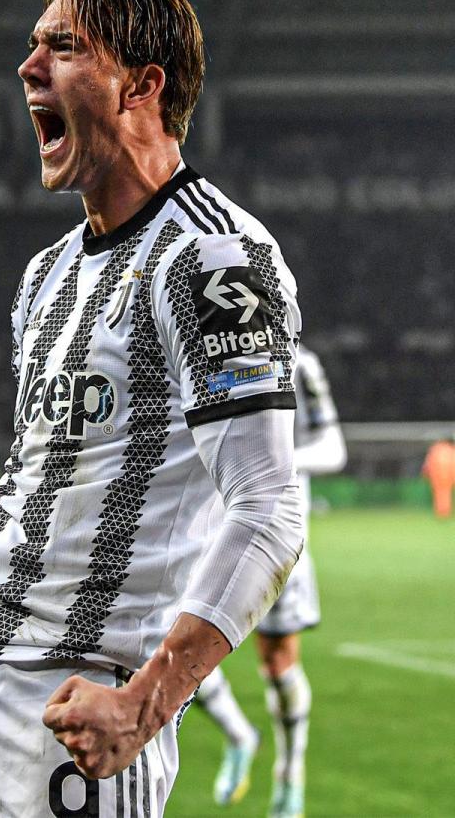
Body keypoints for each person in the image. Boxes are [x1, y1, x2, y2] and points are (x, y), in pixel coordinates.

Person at [0, 0, 304, 818]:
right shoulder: (46, 276)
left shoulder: (213, 259)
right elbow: (32, 507)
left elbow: (269, 508)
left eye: (64, 47)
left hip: (70, 714)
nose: (28, 66)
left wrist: (145, 706)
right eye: (33, 45)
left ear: (141, 85)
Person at [197, 345, 347, 818]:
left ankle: (289, 773)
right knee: (173, 644)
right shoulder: (197, 354)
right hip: (207, 531)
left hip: (278, 533)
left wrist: (273, 462)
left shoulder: (300, 363)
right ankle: (239, 734)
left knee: (278, 662)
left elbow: (333, 448)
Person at [421, 437, 455, 518]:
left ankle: (441, 511)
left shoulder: (435, 449)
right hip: (448, 475)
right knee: (445, 493)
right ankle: (444, 511)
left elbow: (428, 463)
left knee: (440, 493)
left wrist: (425, 473)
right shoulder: (451, 450)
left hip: (437, 475)